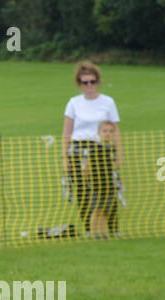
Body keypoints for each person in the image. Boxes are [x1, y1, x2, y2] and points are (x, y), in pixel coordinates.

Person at [62, 61, 121, 239]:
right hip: (79, 150)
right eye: (85, 82)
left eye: (92, 81)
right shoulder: (73, 103)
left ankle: (113, 229)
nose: (89, 86)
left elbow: (116, 129)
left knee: (108, 190)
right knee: (82, 191)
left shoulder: (108, 102)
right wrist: (65, 158)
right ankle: (89, 229)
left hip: (101, 151)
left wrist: (120, 155)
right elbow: (66, 132)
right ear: (79, 84)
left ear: (98, 81)